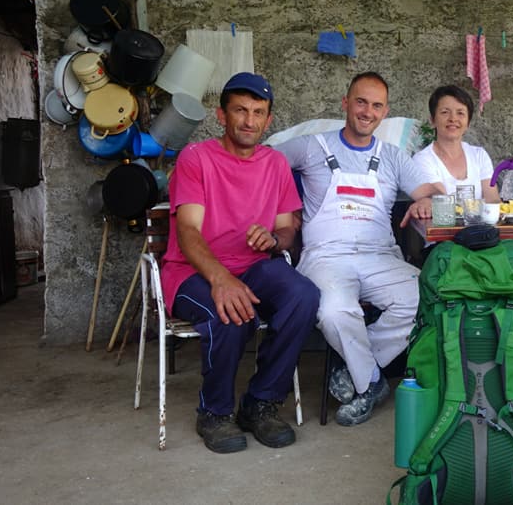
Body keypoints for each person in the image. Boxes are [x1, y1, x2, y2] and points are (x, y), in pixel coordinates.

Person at [159, 72, 321, 454]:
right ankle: (214, 412)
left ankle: (260, 403)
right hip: (192, 271)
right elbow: (188, 231)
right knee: (230, 312)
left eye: (258, 112)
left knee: (304, 295)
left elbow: (286, 230)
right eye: (240, 111)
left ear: (268, 120)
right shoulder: (196, 158)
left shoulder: (275, 164)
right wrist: (220, 279)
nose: (249, 121)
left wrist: (273, 239)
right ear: (222, 115)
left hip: (252, 267)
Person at [276, 72, 444, 426]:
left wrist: (425, 201)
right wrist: (280, 210)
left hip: (379, 256)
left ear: (385, 113)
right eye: (361, 102)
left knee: (429, 297)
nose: (368, 111)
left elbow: (427, 191)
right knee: (335, 312)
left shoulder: (394, 156)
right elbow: (261, 163)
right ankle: (371, 381)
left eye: (377, 105)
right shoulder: (311, 146)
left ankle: (358, 366)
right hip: (326, 257)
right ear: (346, 104)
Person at [411, 85, 499, 202]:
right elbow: (441, 202)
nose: (453, 119)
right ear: (433, 120)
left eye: (460, 113)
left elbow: (493, 201)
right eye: (445, 112)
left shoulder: (479, 156)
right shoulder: (422, 160)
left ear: (468, 123)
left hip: (481, 220)